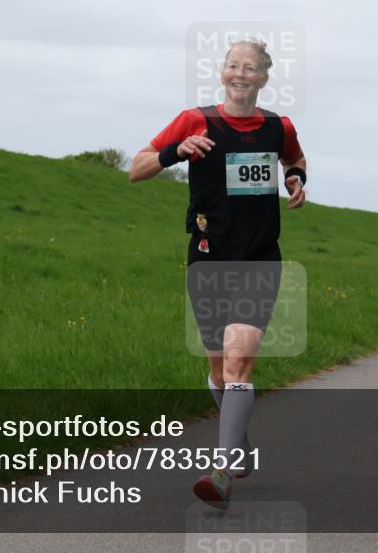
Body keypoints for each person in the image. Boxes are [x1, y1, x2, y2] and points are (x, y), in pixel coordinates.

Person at [128, 39, 306, 510]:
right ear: (222, 73)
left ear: (264, 78)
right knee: (218, 370)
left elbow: (296, 158)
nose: (240, 73)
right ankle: (239, 445)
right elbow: (137, 168)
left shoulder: (277, 126)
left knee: (239, 361)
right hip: (207, 257)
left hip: (259, 258)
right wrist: (176, 152)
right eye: (233, 65)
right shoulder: (195, 120)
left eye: (250, 68)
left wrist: (295, 179)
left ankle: (222, 472)